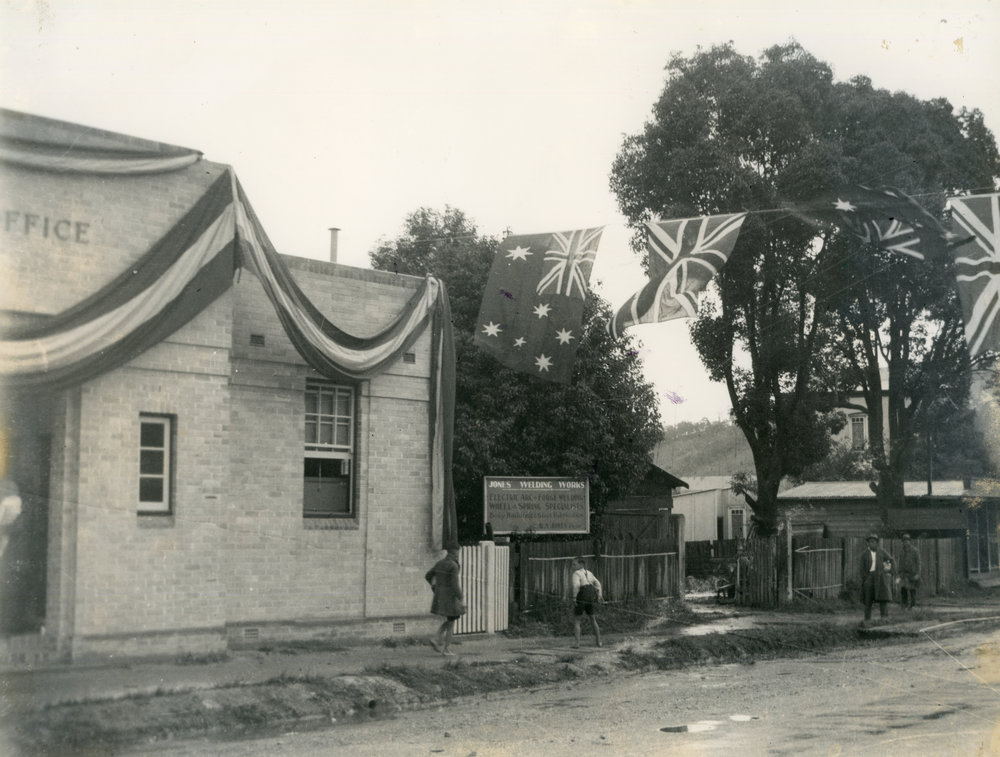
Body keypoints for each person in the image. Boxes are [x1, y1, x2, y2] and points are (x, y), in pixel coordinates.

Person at [425, 547, 465, 656]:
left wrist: (435, 587)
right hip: (450, 597)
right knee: (451, 622)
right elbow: (454, 585)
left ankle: (436, 638)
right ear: (455, 552)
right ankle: (446, 649)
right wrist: (460, 597)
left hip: (440, 596)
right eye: (458, 551)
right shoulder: (453, 565)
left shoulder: (440, 563)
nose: (458, 554)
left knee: (450, 620)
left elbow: (428, 575)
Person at [859, 533, 895, 623]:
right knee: (868, 600)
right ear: (868, 543)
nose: (872, 544)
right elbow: (861, 569)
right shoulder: (864, 555)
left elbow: (891, 560)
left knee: (883, 599)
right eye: (870, 542)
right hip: (869, 578)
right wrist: (866, 578)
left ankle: (884, 619)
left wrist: (889, 571)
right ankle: (867, 620)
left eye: (874, 542)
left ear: (877, 543)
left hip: (880, 577)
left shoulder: (881, 552)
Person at [570, 557, 602, 648]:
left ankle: (577, 644)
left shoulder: (576, 573)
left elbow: (576, 585)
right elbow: (598, 584)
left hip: (582, 595)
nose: (572, 566)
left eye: (574, 564)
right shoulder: (589, 573)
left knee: (577, 620)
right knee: (593, 619)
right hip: (590, 596)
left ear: (581, 564)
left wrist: (574, 598)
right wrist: (599, 595)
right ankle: (598, 642)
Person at [898, 533, 921, 609]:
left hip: (913, 573)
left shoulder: (915, 551)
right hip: (904, 574)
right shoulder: (902, 552)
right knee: (903, 589)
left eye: (907, 541)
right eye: (904, 541)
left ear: (910, 541)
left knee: (912, 590)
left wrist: (918, 574)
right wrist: (899, 573)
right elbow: (900, 563)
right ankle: (904, 605)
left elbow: (918, 563)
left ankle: (912, 606)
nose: (906, 542)